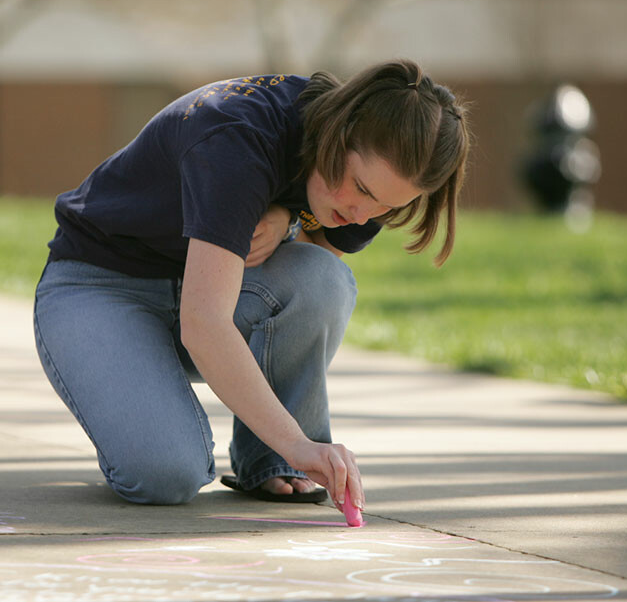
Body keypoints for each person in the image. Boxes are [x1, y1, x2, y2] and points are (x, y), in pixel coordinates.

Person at [33, 59, 471, 510]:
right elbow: (205, 324)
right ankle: (254, 442)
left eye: (384, 207)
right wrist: (300, 443)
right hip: (100, 286)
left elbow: (310, 276)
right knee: (167, 475)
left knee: (324, 280)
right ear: (340, 132)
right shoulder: (236, 138)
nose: (361, 215)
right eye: (360, 188)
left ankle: (271, 465)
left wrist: (290, 221)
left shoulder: (357, 188)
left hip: (203, 293)